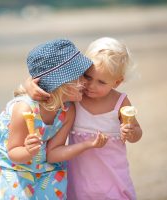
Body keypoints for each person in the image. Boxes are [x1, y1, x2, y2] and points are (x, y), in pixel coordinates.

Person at [0, 39, 107, 200]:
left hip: (45, 164)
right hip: (12, 165)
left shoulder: (68, 110)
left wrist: (87, 145)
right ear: (60, 83)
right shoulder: (25, 109)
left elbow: (52, 154)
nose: (85, 81)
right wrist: (28, 151)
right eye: (79, 76)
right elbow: (13, 152)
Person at [26, 37, 142, 200]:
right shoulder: (75, 99)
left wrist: (132, 132)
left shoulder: (121, 102)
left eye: (101, 82)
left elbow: (137, 132)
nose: (91, 86)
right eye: (87, 77)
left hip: (113, 176)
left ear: (117, 82)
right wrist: (29, 84)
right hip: (80, 179)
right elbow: (50, 79)